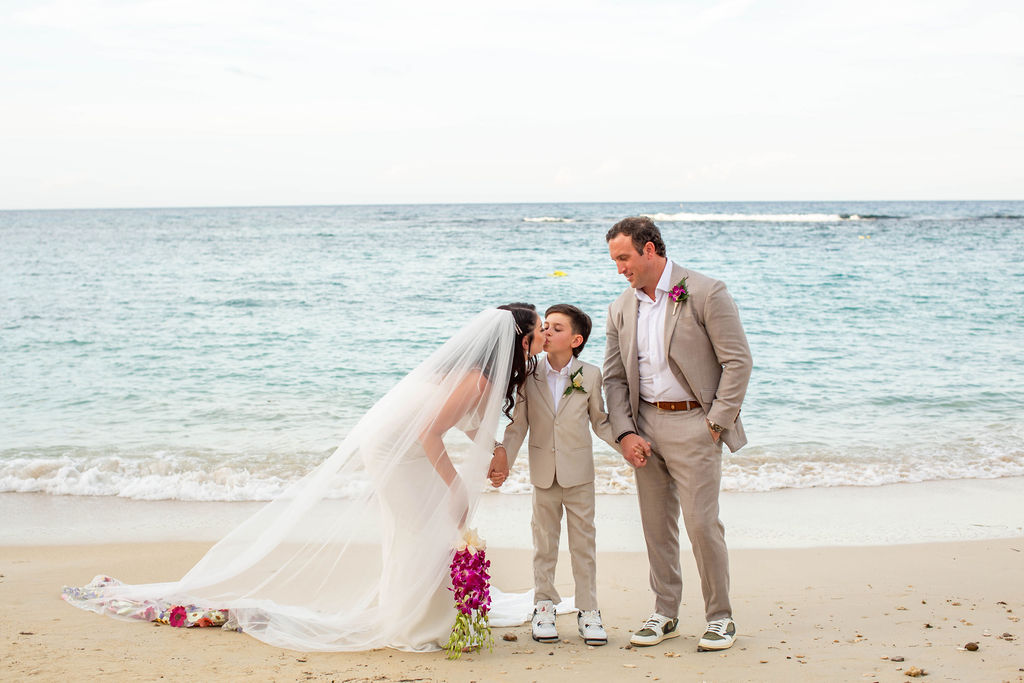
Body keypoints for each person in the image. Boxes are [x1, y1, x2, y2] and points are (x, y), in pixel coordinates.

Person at [62, 304, 545, 652]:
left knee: (421, 531)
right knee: (429, 530)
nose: (544, 336)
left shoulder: (473, 374)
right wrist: (455, 486)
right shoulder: (478, 377)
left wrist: (496, 449)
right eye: (539, 331)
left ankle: (419, 617)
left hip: (396, 449)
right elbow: (427, 432)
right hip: (402, 456)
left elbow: (453, 418)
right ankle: (416, 626)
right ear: (518, 341)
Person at [603, 217, 752, 652]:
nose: (620, 269)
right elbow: (614, 379)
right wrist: (625, 432)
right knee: (655, 527)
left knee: (702, 524)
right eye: (614, 261)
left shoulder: (706, 291)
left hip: (695, 424)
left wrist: (716, 422)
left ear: (650, 250)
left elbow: (738, 361)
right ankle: (664, 612)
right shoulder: (619, 308)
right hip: (644, 426)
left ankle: (720, 617)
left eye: (624, 258)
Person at [488, 304, 618, 646]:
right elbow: (518, 426)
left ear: (575, 340)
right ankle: (543, 606)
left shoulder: (590, 375)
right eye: (545, 326)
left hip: (580, 476)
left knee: (583, 546)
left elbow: (601, 422)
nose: (546, 332)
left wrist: (628, 446)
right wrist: (503, 459)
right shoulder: (529, 375)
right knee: (544, 544)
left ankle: (589, 611)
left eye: (556, 328)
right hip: (543, 475)